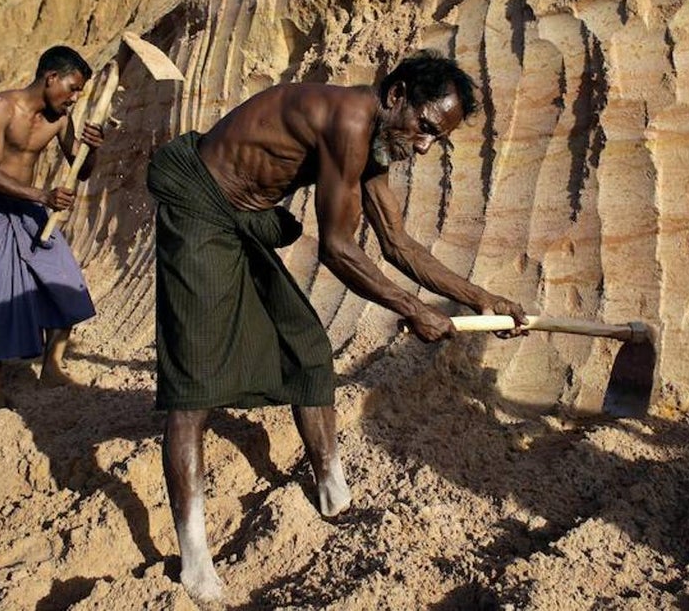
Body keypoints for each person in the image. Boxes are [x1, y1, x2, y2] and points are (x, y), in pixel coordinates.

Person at [146, 51, 526, 602]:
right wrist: (413, 309)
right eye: (424, 127)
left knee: (307, 351)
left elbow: (396, 243)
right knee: (194, 387)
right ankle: (194, 556)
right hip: (200, 206)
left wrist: (482, 299)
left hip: (244, 217)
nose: (424, 146)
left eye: (436, 139)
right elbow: (338, 248)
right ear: (396, 95)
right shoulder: (348, 120)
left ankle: (332, 491)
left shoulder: (374, 136)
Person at [0, 45, 105, 410]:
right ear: (51, 78)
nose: (74, 98)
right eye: (73, 88)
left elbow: (82, 170)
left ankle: (52, 367)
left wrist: (92, 148)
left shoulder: (59, 119)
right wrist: (43, 196)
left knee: (64, 278)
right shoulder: (0, 108)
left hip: (28, 203)